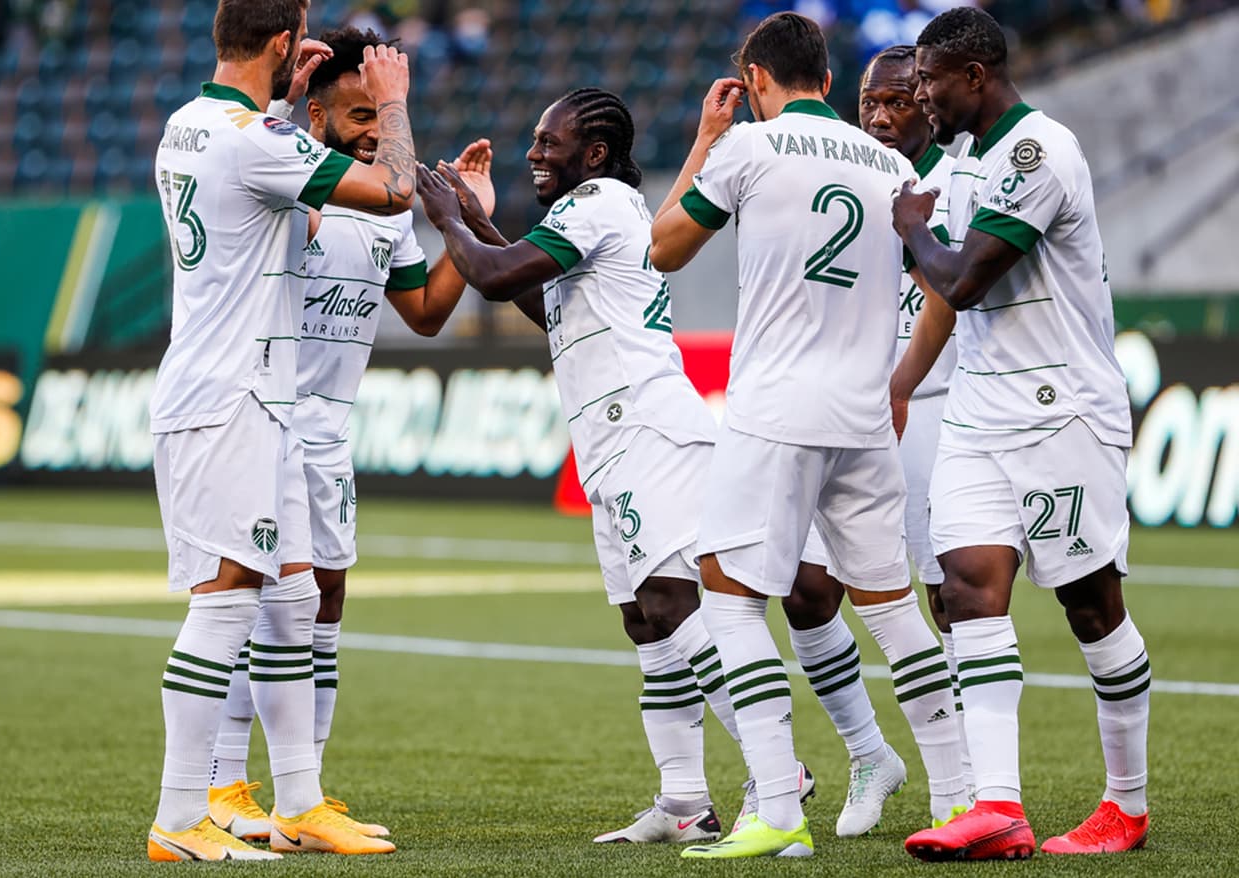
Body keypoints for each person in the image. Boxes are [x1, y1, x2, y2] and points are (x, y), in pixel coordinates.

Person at [412, 87, 815, 845]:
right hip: (611, 438)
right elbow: (539, 303)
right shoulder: (598, 210)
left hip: (647, 430)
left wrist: (446, 217)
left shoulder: (594, 202)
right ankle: (685, 802)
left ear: (593, 154)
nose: (535, 151)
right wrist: (473, 220)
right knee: (645, 622)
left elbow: (496, 279)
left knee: (672, 605)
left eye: (548, 140)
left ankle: (779, 770)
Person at [202, 24, 491, 847]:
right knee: (250, 598)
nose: (373, 129)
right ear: (320, 112)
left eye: (382, 115)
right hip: (264, 409)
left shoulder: (388, 208)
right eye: (359, 114)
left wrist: (469, 228)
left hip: (330, 425)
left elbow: (427, 315)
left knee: (323, 598)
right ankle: (225, 784)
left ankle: (305, 795)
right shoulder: (285, 163)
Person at [649, 12, 924, 859]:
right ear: (833, 84)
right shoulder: (894, 163)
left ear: (757, 82)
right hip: (869, 411)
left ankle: (777, 807)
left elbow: (662, 249)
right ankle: (960, 797)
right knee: (895, 610)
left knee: (728, 596)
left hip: (773, 410)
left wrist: (705, 139)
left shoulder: (749, 149)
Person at [146, 0, 417, 861]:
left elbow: (265, 178)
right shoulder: (252, 142)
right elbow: (395, 189)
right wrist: (396, 100)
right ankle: (181, 815)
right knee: (225, 603)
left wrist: (278, 101)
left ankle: (299, 801)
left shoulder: (193, 124)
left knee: (294, 598)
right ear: (278, 39)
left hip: (260, 402)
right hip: (228, 398)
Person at [894, 7, 1149, 861]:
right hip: (979, 408)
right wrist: (901, 385)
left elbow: (961, 280)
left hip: (1062, 411)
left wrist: (912, 230)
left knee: (1090, 605)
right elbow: (950, 300)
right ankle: (997, 807)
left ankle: (1127, 804)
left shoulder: (1040, 152)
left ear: (975, 73)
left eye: (929, 78)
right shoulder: (966, 161)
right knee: (966, 588)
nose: (921, 94)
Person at [786, 42, 972, 838]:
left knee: (950, 599)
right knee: (803, 589)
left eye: (899, 100)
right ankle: (870, 753)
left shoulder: (952, 188)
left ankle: (970, 781)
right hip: (849, 417)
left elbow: (955, 291)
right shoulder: (849, 176)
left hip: (931, 408)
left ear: (929, 102)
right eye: (870, 101)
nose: (881, 115)